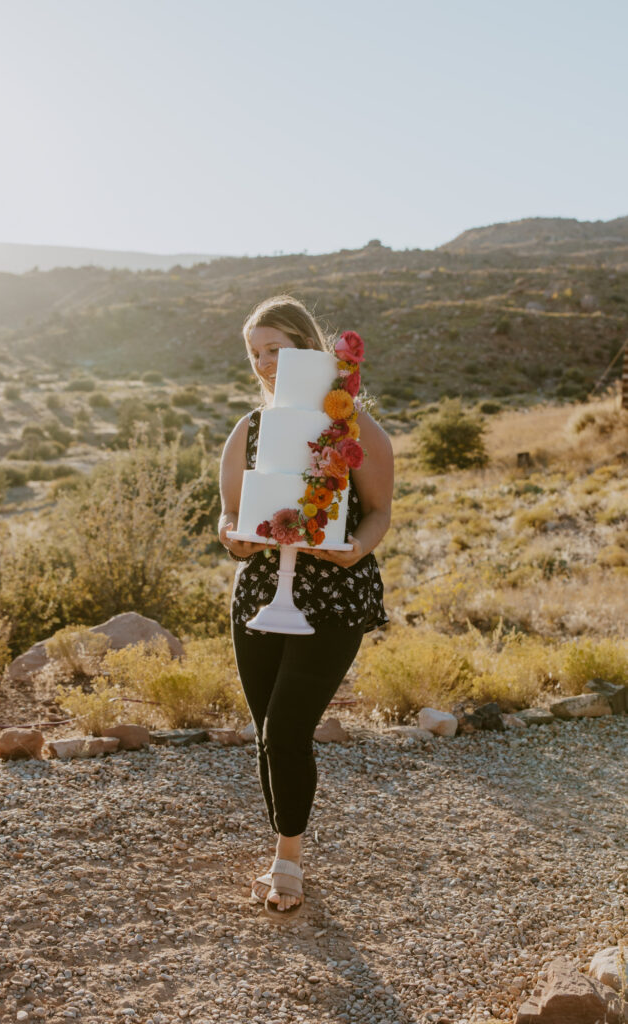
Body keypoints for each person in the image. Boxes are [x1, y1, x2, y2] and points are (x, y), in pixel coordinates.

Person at [218, 294, 393, 920]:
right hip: (261, 592)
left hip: (334, 595)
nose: (265, 363)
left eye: (276, 349)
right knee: (268, 732)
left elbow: (378, 513)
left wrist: (356, 550)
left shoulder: (354, 430)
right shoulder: (251, 428)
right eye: (255, 354)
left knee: (288, 729)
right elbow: (230, 511)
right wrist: (229, 533)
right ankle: (281, 842)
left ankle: (287, 859)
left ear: (307, 348)